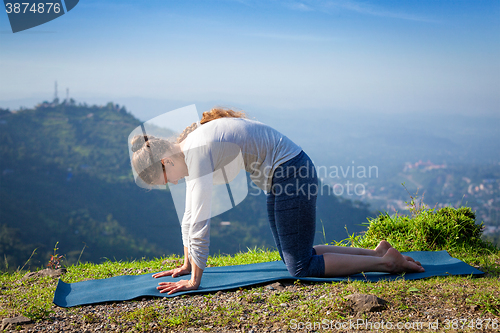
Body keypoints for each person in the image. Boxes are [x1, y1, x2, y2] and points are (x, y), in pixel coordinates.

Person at [130, 108, 425, 295]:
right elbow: (189, 214)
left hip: (292, 174)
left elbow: (199, 218)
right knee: (296, 256)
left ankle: (387, 264)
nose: (172, 183)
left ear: (166, 161)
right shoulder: (193, 147)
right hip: (286, 175)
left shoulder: (196, 152)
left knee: (301, 267)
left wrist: (195, 279)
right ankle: (378, 253)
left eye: (165, 179)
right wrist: (185, 263)